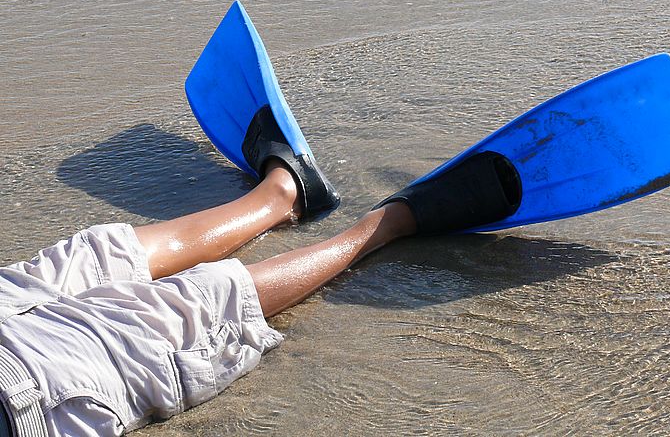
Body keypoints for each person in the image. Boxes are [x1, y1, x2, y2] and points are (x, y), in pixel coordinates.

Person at [0, 160, 422, 436]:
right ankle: (384, 225)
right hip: (23, 388)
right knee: (185, 307)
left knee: (110, 261)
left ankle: (281, 196)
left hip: (21, 376)